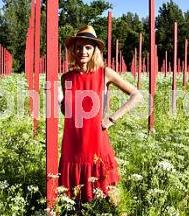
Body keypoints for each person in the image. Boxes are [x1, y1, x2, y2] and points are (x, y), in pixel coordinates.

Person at [57, 25, 143, 206]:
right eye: (79, 47)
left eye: (88, 47)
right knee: (75, 196)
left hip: (96, 140)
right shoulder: (66, 78)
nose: (83, 51)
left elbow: (137, 95)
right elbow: (67, 112)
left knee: (110, 191)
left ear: (95, 50)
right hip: (72, 142)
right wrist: (58, 100)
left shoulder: (105, 73)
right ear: (73, 50)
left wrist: (112, 118)